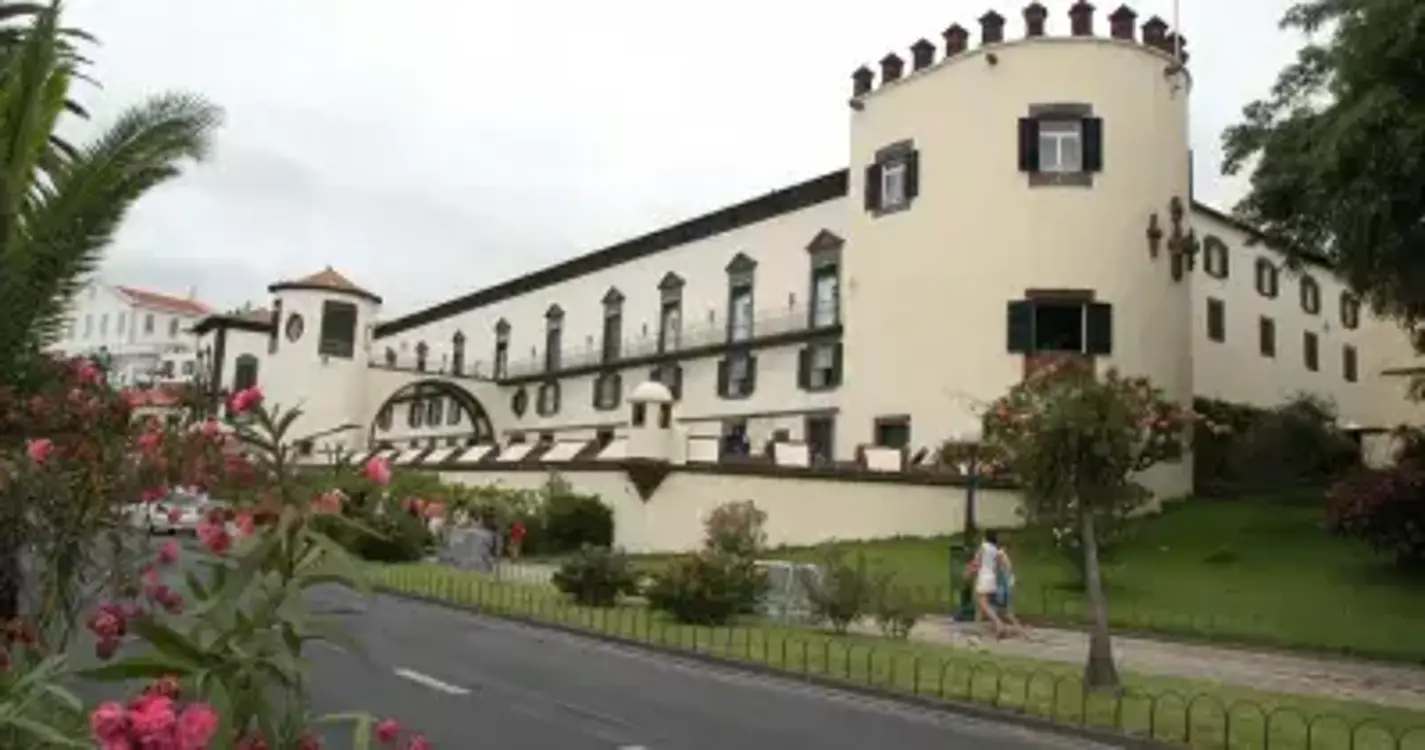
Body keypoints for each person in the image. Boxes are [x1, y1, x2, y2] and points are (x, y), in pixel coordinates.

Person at [973, 530, 1007, 637]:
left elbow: (977, 560)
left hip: (983, 576)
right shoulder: (995, 550)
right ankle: (978, 628)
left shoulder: (984, 546)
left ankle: (999, 623)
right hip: (992, 578)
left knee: (983, 604)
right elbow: (999, 565)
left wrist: (972, 569)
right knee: (980, 603)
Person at [992, 540, 1025, 636]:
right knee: (1001, 609)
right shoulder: (1005, 558)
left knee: (1004, 610)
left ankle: (1016, 629)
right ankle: (1003, 628)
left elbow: (1001, 571)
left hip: (1004, 586)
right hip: (1006, 585)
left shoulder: (1001, 555)